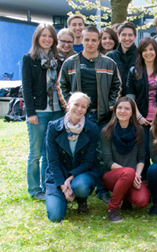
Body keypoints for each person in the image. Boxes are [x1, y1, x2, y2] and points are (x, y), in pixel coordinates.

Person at [57, 25, 122, 204]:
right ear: (81, 40)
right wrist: (70, 109)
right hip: (78, 117)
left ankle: (102, 190)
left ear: (99, 41)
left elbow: (117, 87)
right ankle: (81, 193)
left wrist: (110, 107)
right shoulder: (71, 62)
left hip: (101, 117)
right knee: (79, 154)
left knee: (101, 155)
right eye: (87, 40)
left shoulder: (109, 63)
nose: (91, 43)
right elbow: (61, 86)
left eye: (94, 40)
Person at [22, 23, 64, 200]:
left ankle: (46, 187)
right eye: (43, 36)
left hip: (56, 111)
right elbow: (26, 87)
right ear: (37, 38)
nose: (47, 39)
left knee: (49, 152)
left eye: (50, 36)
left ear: (54, 39)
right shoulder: (29, 59)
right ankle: (33, 188)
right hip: (39, 111)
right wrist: (30, 112)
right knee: (36, 153)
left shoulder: (59, 60)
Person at [45, 92, 100, 222]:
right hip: (58, 175)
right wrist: (63, 187)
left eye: (84, 107)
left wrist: (70, 178)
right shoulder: (53, 127)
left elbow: (88, 161)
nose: (79, 109)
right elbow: (52, 162)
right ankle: (63, 196)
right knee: (55, 217)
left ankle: (81, 200)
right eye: (76, 105)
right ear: (68, 104)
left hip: (81, 173)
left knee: (80, 186)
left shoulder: (92, 128)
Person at [126, 37, 157, 181]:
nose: (148, 53)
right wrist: (138, 116)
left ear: (156, 51)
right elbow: (130, 96)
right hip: (141, 120)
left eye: (151, 49)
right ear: (140, 52)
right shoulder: (134, 71)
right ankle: (145, 182)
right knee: (144, 153)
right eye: (145, 50)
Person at [101, 97, 148, 223]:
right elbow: (108, 162)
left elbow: (141, 158)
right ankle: (112, 209)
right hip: (112, 177)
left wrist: (137, 175)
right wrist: (131, 174)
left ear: (132, 112)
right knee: (128, 172)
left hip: (132, 175)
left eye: (127, 108)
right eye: (120, 108)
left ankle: (126, 198)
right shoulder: (106, 131)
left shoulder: (139, 131)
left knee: (142, 201)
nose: (123, 111)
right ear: (115, 110)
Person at [107, 21, 138, 92]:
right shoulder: (110, 56)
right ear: (118, 36)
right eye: (124, 35)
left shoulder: (141, 56)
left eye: (130, 35)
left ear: (135, 37)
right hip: (117, 99)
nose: (127, 38)